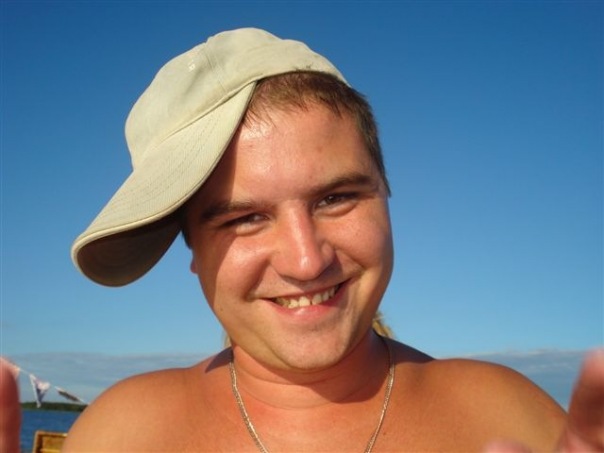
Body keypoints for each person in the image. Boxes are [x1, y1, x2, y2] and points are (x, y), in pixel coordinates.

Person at [1, 28, 602, 452]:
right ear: (191, 251)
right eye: (243, 218)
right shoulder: (123, 434)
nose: (307, 260)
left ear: (386, 193)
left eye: (336, 198)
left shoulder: (506, 418)